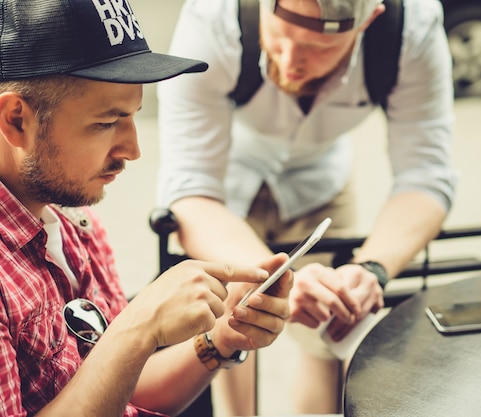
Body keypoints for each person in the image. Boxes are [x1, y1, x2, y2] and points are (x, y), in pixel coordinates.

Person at [157, 0, 457, 414]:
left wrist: (371, 269)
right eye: (279, 36)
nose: (292, 62)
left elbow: (427, 176)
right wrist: (278, 278)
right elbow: (189, 188)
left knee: (328, 330)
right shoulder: (214, 17)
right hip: (225, 185)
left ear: (370, 19)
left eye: (320, 48)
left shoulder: (413, 27)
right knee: (235, 319)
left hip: (322, 182)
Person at [0, 0, 293, 416]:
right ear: (16, 120)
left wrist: (222, 338)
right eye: (106, 122)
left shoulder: (76, 223)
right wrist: (139, 328)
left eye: (135, 116)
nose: (133, 150)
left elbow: (125, 393)